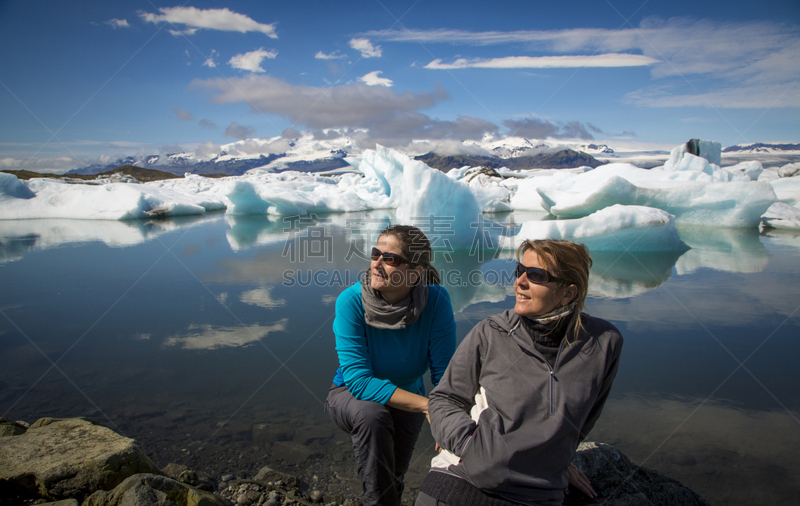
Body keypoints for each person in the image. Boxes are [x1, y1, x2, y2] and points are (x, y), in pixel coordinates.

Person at [417, 239, 623, 506]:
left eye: (536, 275)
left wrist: (557, 456)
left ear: (568, 293)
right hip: (460, 481)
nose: (520, 282)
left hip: (537, 497)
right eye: (519, 271)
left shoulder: (604, 343)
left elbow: (584, 418)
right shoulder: (491, 332)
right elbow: (444, 399)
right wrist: (470, 446)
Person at [325, 225, 457, 506]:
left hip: (409, 394)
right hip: (350, 395)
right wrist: (427, 406)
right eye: (376, 254)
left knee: (393, 476)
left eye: (390, 259)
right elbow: (359, 382)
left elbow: (444, 374)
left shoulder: (436, 301)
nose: (377, 263)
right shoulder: (351, 302)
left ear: (416, 271)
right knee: (372, 416)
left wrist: (449, 414)